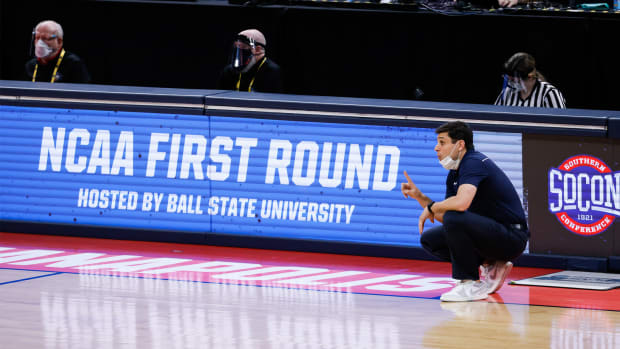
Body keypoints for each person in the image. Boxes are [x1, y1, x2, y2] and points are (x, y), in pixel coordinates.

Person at [401, 121, 529, 302]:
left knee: (455, 216)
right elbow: (447, 218)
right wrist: (420, 198)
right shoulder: (455, 172)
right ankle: (490, 264)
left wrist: (431, 207)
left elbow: (461, 204)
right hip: (492, 235)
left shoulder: (473, 162)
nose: (436, 148)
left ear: (460, 144)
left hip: (512, 236)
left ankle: (468, 283)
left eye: (442, 142)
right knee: (431, 240)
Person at [217, 29, 283, 93]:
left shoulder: (271, 71)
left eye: (243, 47)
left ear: (258, 50)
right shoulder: (229, 71)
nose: (238, 51)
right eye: (236, 47)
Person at [25, 20, 91, 84]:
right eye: (37, 38)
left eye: (45, 38)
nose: (40, 43)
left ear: (59, 41)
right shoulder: (31, 65)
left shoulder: (73, 64)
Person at [494, 52, 565, 108]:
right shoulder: (507, 92)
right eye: (509, 79)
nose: (511, 83)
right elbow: (495, 117)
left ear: (530, 77)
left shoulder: (549, 93)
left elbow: (561, 122)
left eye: (514, 80)